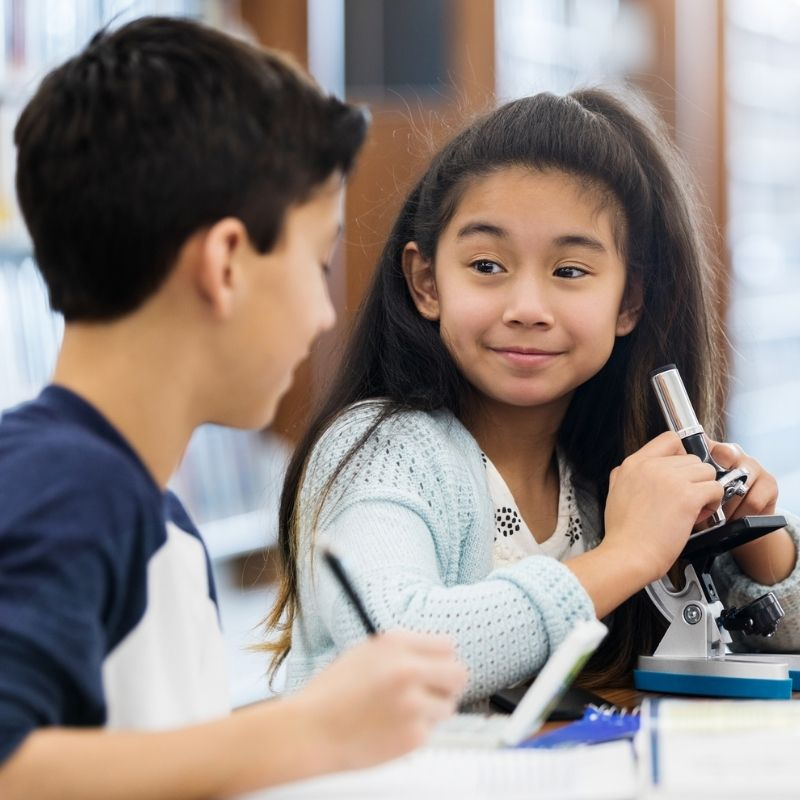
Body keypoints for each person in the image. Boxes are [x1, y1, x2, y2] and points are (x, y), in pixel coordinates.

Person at [0, 16, 467, 800]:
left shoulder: (142, 513)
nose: (325, 314)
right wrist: (312, 730)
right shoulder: (73, 488)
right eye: (317, 261)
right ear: (225, 263)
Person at [266, 87, 800, 704]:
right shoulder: (381, 450)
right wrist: (625, 556)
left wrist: (762, 551)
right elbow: (397, 652)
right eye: (487, 265)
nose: (526, 309)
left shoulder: (604, 474)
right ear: (426, 282)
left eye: (570, 271)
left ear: (629, 302)